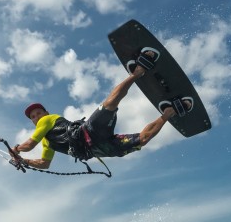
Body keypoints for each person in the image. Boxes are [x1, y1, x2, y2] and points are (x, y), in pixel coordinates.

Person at [11, 48, 193, 170]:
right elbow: (44, 163)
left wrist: (17, 150)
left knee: (110, 104)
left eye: (38, 113)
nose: (36, 117)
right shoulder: (46, 142)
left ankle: (138, 71)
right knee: (141, 140)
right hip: (97, 149)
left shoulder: (47, 121)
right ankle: (170, 112)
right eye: (33, 117)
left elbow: (29, 145)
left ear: (45, 114)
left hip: (88, 132)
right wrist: (23, 161)